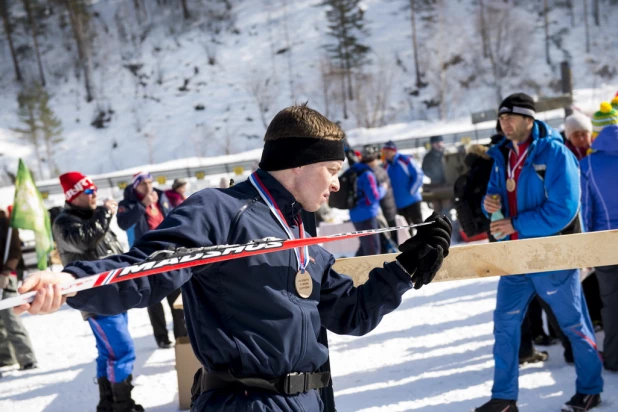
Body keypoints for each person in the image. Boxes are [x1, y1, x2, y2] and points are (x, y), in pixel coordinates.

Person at [16, 104, 452, 412]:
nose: (337, 185)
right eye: (332, 171)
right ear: (299, 165)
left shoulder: (301, 230)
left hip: (313, 399)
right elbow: (147, 269)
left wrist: (404, 270)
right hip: (245, 401)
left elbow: (350, 314)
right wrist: (72, 281)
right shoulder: (220, 211)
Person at [476, 93, 603, 412]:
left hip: (552, 254)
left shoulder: (556, 153)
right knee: (504, 325)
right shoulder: (502, 154)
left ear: (529, 120)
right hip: (515, 256)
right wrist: (488, 204)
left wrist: (514, 225)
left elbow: (563, 209)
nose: (504, 123)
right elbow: (495, 194)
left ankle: (590, 389)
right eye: (501, 118)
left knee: (574, 326)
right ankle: (504, 398)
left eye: (511, 118)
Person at [53, 172, 144, 412]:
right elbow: (84, 241)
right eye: (89, 191)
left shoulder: (93, 218)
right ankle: (123, 405)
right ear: (74, 196)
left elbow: (114, 252)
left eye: (95, 190)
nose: (95, 195)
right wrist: (104, 213)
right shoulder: (64, 222)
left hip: (113, 294)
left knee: (108, 352)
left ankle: (108, 402)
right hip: (95, 298)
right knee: (122, 350)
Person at [117, 172, 186, 349]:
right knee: (154, 299)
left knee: (175, 294)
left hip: (168, 252)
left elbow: (171, 216)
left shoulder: (160, 195)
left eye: (149, 182)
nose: (148, 187)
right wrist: (142, 206)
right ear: (135, 187)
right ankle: (162, 337)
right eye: (143, 184)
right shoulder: (127, 203)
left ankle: (181, 335)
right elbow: (123, 223)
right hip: (144, 256)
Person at [580, 102, 618, 372]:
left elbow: (587, 211)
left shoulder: (588, 164)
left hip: (606, 243)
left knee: (612, 304)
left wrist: (588, 249)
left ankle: (615, 358)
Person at [0, 208, 37, 376]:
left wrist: (6, 272)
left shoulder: (7, 223)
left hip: (6, 277)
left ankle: (27, 358)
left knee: (10, 316)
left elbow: (15, 250)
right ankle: (6, 358)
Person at [349, 149, 386, 256]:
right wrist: (383, 188)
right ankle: (370, 271)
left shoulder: (355, 170)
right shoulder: (367, 174)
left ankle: (354, 269)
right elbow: (373, 196)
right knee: (373, 249)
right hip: (367, 215)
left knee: (365, 246)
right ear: (372, 160)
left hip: (355, 214)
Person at [382, 141, 424, 228]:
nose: (386, 154)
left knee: (419, 226)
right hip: (398, 204)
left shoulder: (405, 160)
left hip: (412, 200)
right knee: (405, 230)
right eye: (385, 152)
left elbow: (418, 175)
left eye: (388, 151)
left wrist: (412, 191)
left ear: (394, 150)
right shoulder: (386, 166)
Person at [363, 144, 399, 247]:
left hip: (383, 211)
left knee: (387, 242)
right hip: (387, 209)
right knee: (389, 240)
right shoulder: (379, 169)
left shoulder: (373, 172)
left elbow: (376, 194)